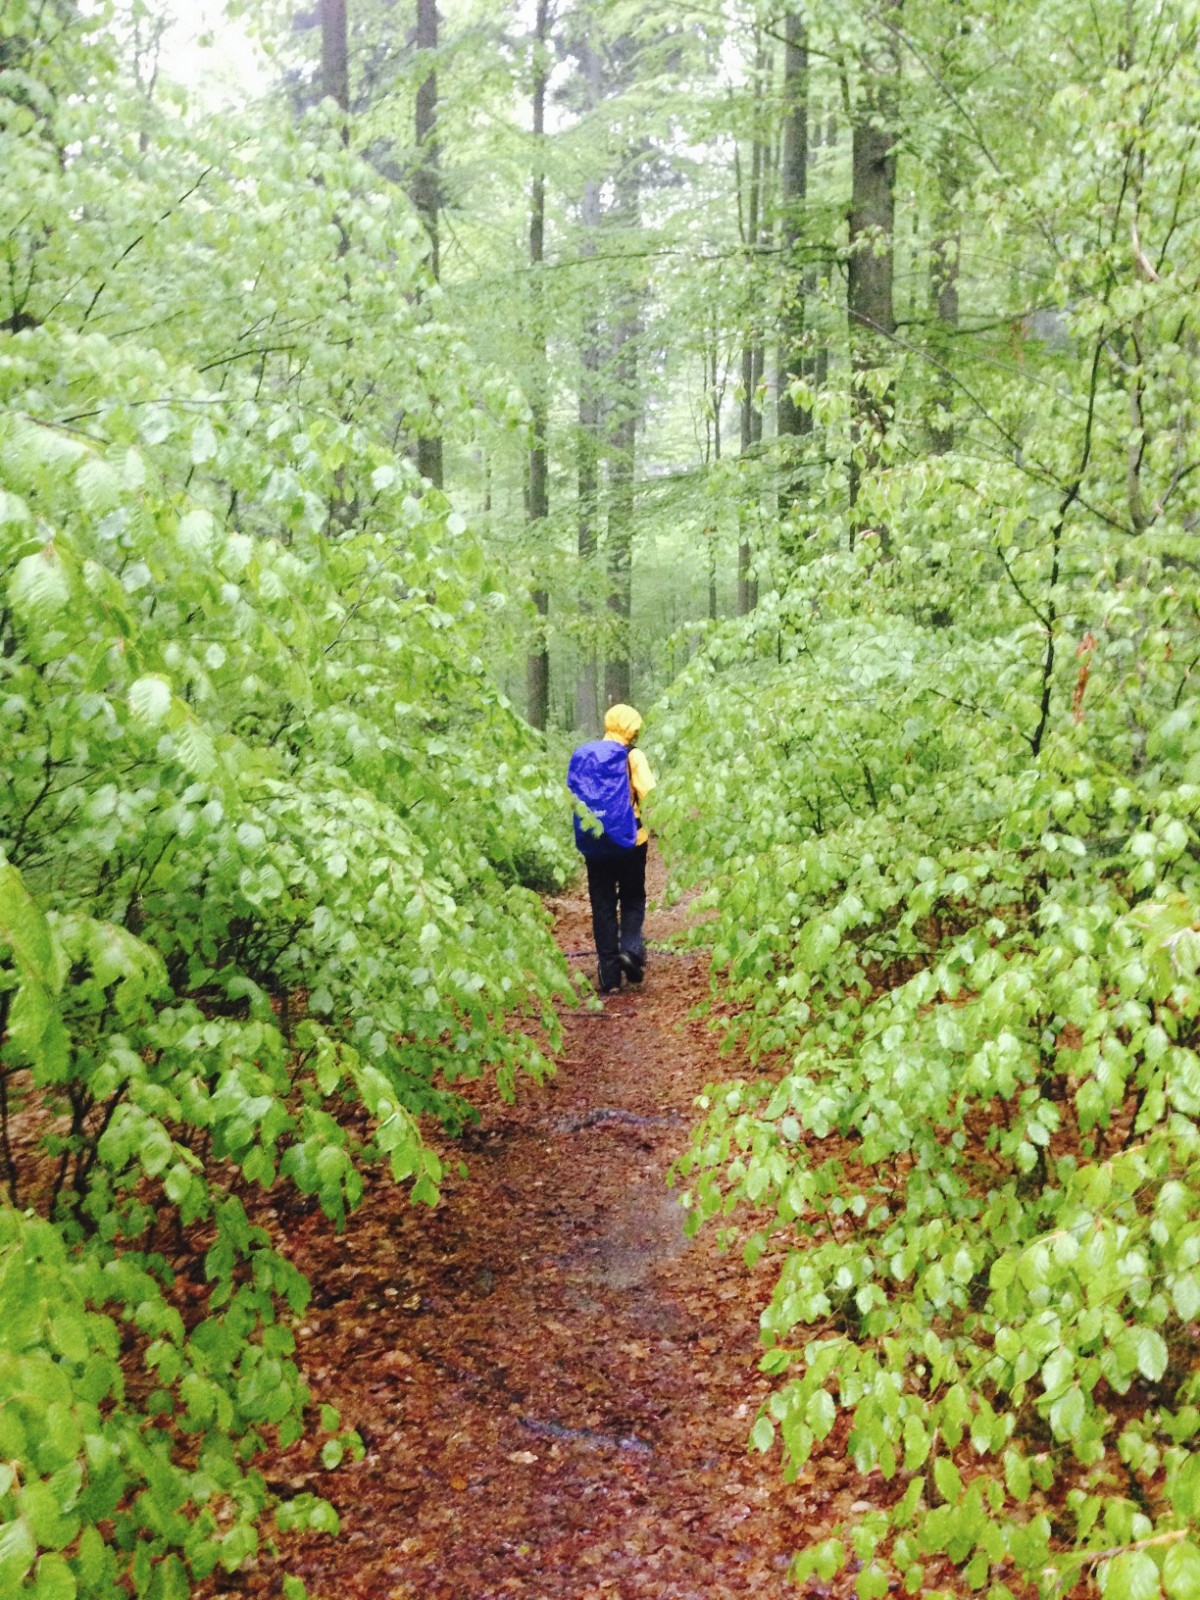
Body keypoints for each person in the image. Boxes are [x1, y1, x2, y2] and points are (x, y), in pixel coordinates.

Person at [566, 704, 657, 994]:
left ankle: (609, 977)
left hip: (596, 841)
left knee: (602, 904)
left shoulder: (588, 755)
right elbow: (649, 794)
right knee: (632, 897)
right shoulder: (633, 756)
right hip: (632, 841)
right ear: (633, 728)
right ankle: (630, 949)